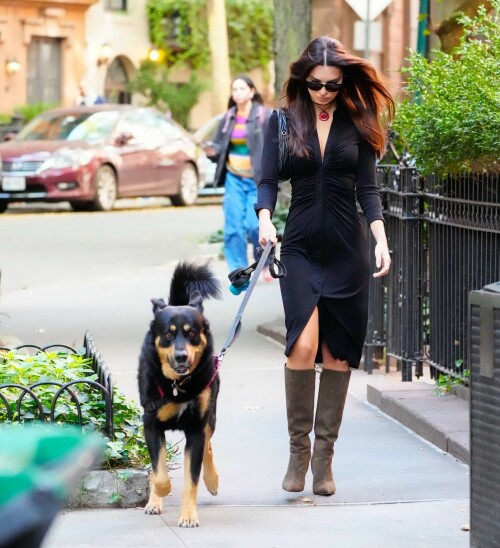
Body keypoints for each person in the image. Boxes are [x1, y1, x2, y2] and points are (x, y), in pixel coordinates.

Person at [256, 37, 393, 496]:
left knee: (337, 354)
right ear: (303, 79)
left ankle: (324, 460)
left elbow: (368, 191)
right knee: (302, 345)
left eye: (332, 86)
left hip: (346, 250)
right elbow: (267, 181)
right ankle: (298, 454)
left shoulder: (357, 121)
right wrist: (264, 222)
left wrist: (380, 241)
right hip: (297, 247)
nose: (323, 93)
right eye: (315, 84)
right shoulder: (281, 122)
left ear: (344, 83)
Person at [204, 75, 272, 279]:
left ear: (252, 91)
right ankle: (239, 271)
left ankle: (264, 262)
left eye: (242, 89)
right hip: (234, 179)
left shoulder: (263, 116)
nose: (237, 93)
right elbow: (218, 145)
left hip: (255, 181)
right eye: (234, 90)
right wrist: (211, 151)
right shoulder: (228, 117)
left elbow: (273, 147)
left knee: (254, 226)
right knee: (233, 227)